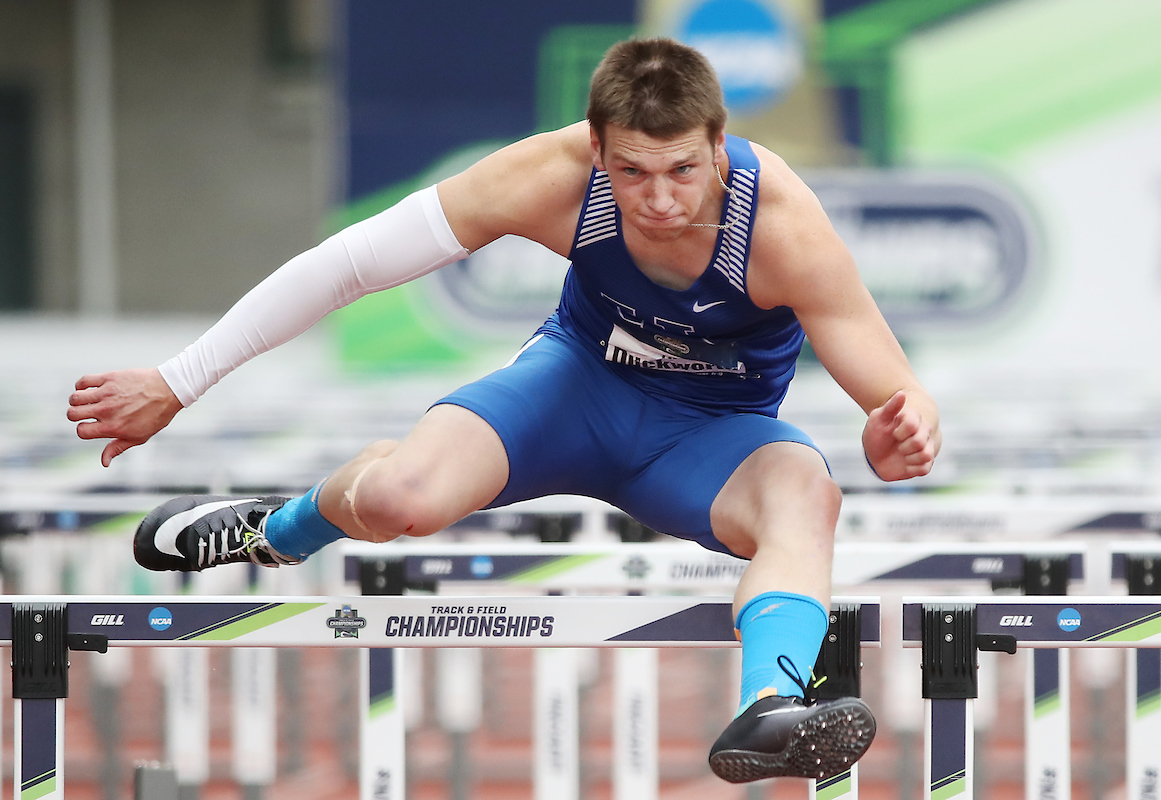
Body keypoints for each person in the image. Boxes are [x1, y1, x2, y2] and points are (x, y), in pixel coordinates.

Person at [67, 38, 938, 782]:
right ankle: (280, 526)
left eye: (682, 171)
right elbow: (350, 263)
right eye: (632, 172)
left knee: (806, 491)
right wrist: (179, 380)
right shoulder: (553, 178)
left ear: (719, 145)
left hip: (709, 438)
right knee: (399, 498)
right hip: (571, 394)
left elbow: (894, 397)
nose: (661, 201)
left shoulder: (781, 225)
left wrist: (900, 436)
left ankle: (770, 707)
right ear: (597, 148)